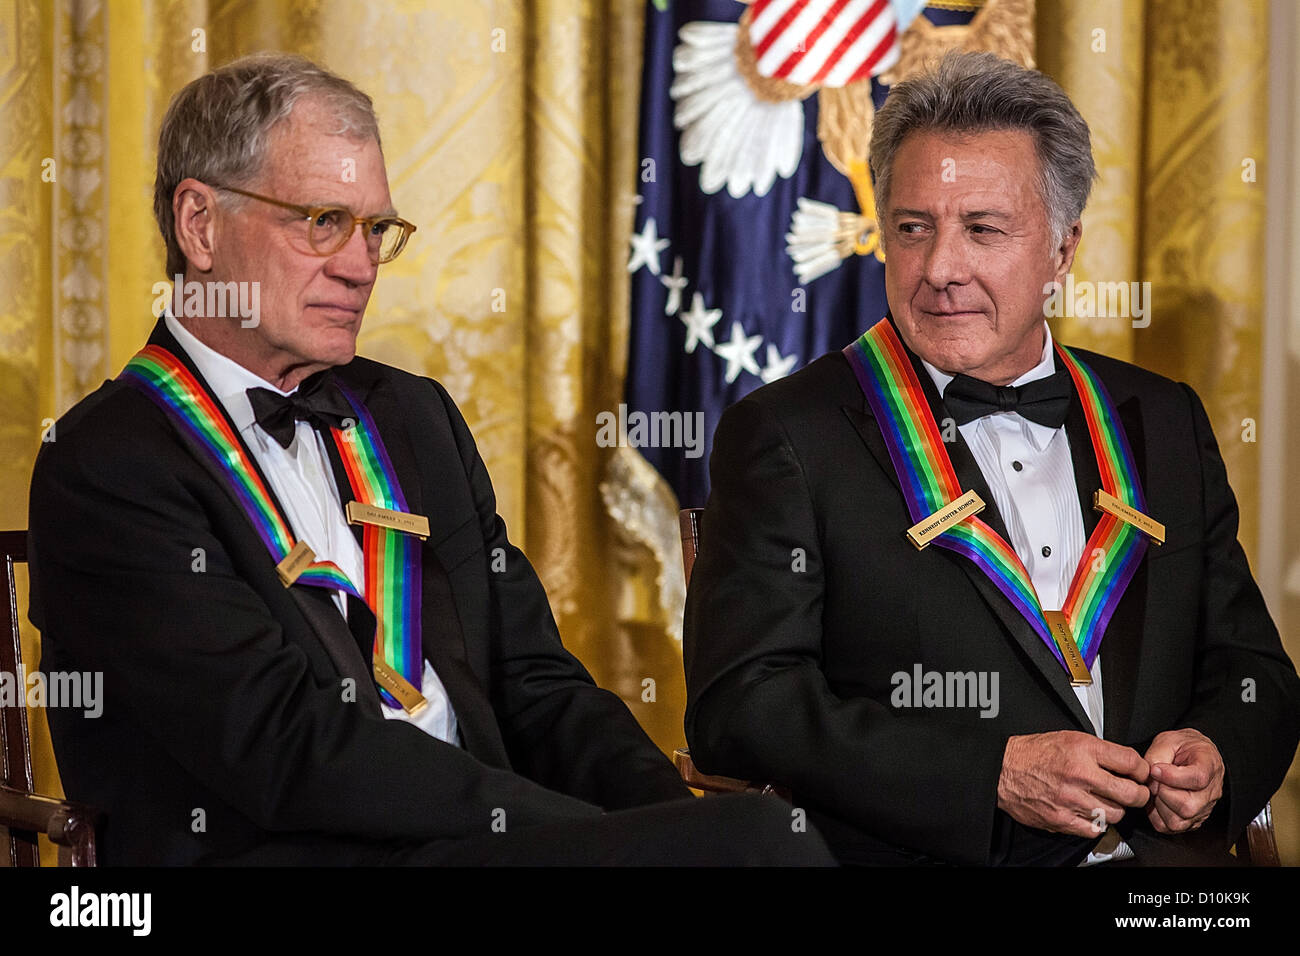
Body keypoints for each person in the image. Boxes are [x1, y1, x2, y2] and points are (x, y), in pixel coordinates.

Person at [27, 53, 832, 867]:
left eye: (376, 228)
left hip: (484, 842)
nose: (360, 264)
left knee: (758, 844)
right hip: (294, 855)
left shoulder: (411, 416)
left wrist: (666, 819)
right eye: (321, 221)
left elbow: (537, 684)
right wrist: (575, 834)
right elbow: (283, 747)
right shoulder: (107, 463)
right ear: (198, 224)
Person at [683, 51, 1300, 866]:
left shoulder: (1163, 420)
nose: (941, 270)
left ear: (1064, 248)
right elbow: (743, 706)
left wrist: (1217, 755)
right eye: (912, 228)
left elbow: (1253, 670)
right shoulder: (787, 434)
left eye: (983, 229)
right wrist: (989, 776)